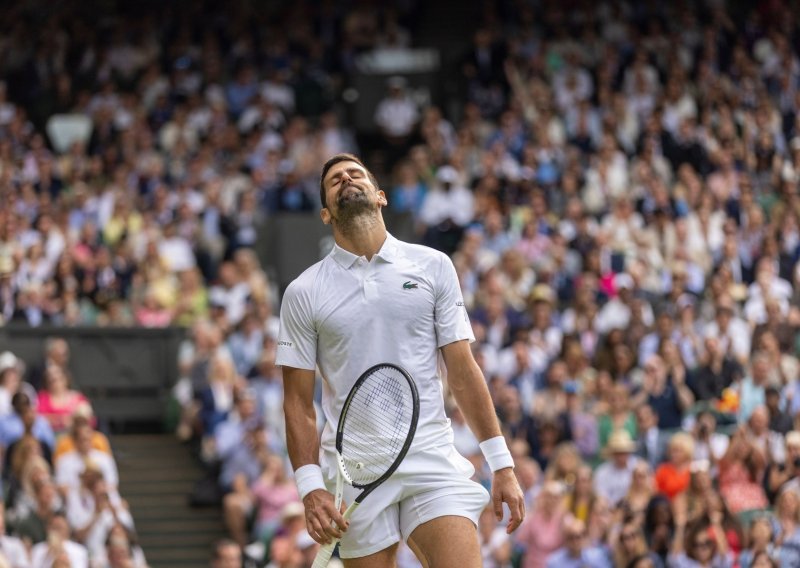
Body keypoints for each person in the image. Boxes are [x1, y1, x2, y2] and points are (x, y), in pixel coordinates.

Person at [277, 154, 524, 567]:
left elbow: (462, 372)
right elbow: (298, 402)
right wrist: (310, 488)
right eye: (335, 181)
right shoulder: (303, 292)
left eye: (356, 174)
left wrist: (503, 464)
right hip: (355, 474)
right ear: (325, 213)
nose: (346, 180)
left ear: (381, 196)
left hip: (430, 455)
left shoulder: (433, 265)